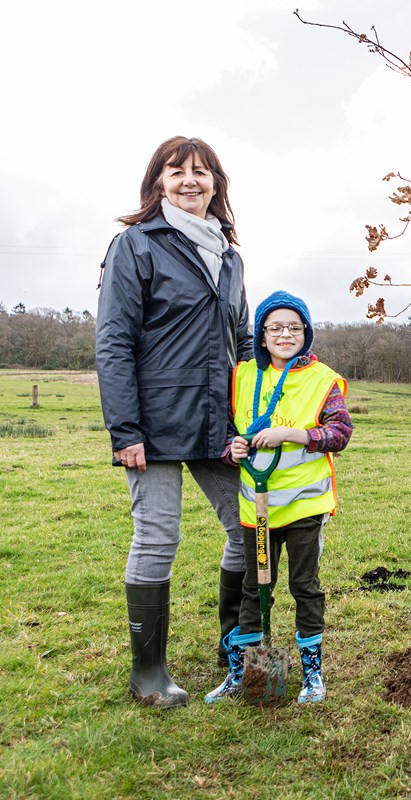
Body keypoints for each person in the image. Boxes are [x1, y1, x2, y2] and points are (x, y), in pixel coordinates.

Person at [96, 136, 252, 708]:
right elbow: (114, 342)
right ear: (157, 182)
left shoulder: (229, 255)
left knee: (250, 526)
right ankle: (149, 673)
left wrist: (262, 402)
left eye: (202, 172)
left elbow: (243, 336)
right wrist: (126, 430)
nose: (191, 180)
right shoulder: (135, 245)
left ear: (217, 184)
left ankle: (234, 641)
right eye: (177, 170)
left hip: (219, 419)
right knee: (159, 537)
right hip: (154, 423)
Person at [206, 291, 352, 705]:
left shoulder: (323, 379)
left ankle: (312, 676)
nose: (285, 334)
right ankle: (243, 674)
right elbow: (228, 433)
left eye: (294, 327)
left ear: (305, 333)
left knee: (304, 587)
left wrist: (294, 434)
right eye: (275, 327)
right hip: (258, 509)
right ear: (262, 334)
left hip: (305, 505)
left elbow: (339, 434)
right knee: (254, 589)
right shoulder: (243, 376)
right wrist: (231, 449)